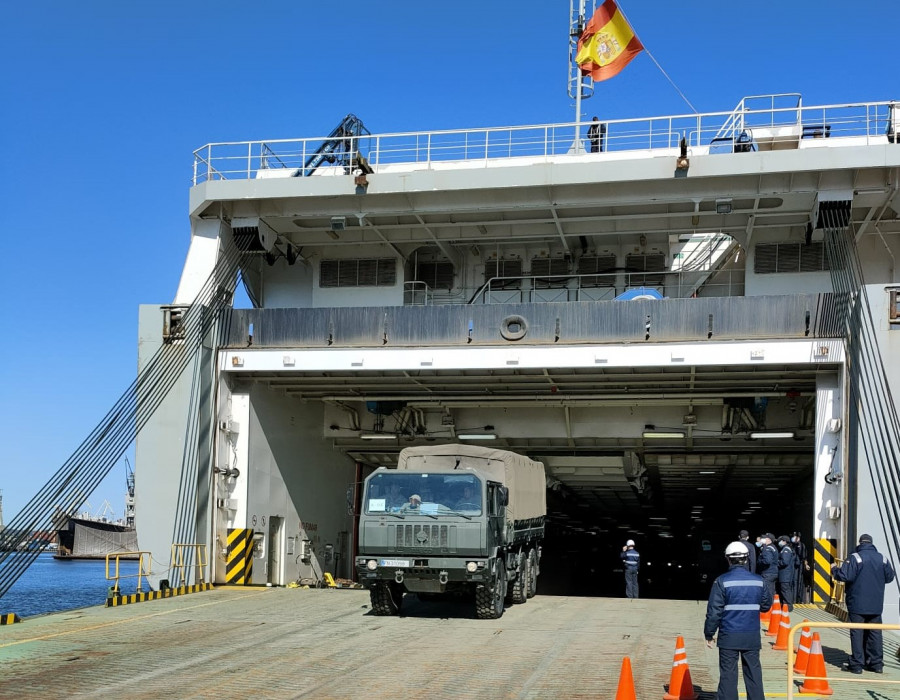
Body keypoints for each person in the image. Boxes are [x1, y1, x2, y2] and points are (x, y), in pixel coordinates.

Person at [705, 542, 772, 700]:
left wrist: (709, 633)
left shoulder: (722, 581)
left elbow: (714, 611)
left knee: (728, 676)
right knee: (754, 674)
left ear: (728, 559)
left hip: (729, 636)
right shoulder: (759, 581)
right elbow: (765, 606)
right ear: (747, 559)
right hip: (751, 636)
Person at [831, 534, 896, 674]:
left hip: (857, 603)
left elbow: (844, 576)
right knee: (875, 633)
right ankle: (876, 664)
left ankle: (856, 664)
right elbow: (890, 577)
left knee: (857, 632)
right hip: (876, 604)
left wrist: (834, 569)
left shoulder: (855, 558)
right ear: (872, 543)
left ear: (860, 543)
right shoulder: (882, 558)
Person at [775, 535, 796, 611]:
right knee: (784, 590)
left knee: (785, 590)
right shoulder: (784, 549)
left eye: (781, 540)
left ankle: (788, 607)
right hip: (784, 574)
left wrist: (776, 563)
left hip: (785, 574)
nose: (779, 542)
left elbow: (785, 562)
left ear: (784, 541)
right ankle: (785, 606)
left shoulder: (786, 549)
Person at [756, 533, 778, 603]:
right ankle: (772, 607)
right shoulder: (773, 547)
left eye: (764, 538)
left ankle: (769, 608)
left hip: (768, 572)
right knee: (771, 590)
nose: (762, 540)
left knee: (768, 591)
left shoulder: (768, 548)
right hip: (773, 572)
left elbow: (767, 561)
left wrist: (759, 561)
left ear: (768, 540)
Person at [791, 532, 809, 604]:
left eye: (795, 537)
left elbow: (804, 557)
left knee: (798, 582)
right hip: (792, 566)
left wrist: (806, 565)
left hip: (799, 567)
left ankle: (797, 599)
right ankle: (793, 599)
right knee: (793, 582)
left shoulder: (801, 545)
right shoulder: (791, 545)